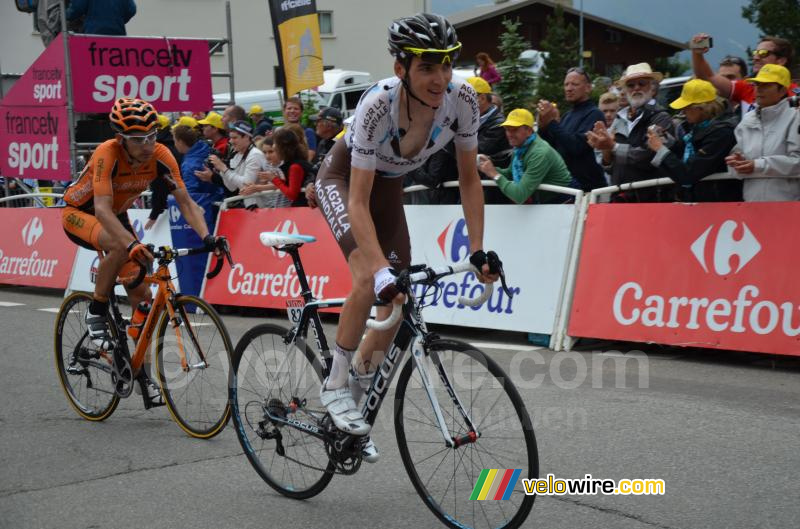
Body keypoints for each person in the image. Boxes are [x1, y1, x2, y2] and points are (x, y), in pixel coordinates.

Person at [311, 13, 500, 462]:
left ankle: (353, 409)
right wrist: (377, 270)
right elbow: (357, 201)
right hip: (342, 181)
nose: (440, 78)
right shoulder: (378, 105)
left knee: (396, 307)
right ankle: (336, 385)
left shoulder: (464, 100)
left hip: (389, 187)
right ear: (402, 69)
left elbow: (469, 180)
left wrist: (476, 250)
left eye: (446, 65)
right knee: (367, 278)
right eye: (427, 67)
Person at [60, 98, 224, 401]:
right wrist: (131, 243)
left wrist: (208, 238)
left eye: (151, 135)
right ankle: (96, 309)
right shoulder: (106, 153)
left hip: (116, 215)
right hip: (81, 213)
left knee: (143, 301)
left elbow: (186, 202)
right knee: (121, 247)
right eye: (139, 139)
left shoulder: (161, 155)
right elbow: (102, 209)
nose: (148, 144)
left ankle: (140, 372)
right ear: (121, 139)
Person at [587, 63, 676, 202]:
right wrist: (605, 151)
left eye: (641, 83)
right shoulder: (620, 117)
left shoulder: (661, 117)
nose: (636, 88)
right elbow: (611, 168)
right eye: (630, 85)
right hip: (620, 198)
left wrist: (613, 147)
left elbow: (649, 157)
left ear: (652, 87)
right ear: (625, 90)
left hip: (653, 199)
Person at [647, 79, 742, 202]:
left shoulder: (722, 133)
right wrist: (666, 141)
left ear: (701, 108)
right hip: (699, 201)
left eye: (686, 107)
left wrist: (660, 149)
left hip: (718, 205)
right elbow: (686, 156)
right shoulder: (698, 127)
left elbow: (689, 173)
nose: (683, 112)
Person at [725, 64, 800, 201]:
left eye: (766, 85)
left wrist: (757, 165)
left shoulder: (796, 116)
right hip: (752, 206)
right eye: (756, 84)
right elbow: (736, 166)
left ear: (782, 90)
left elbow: (797, 162)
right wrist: (736, 163)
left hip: (789, 207)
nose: (759, 89)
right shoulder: (747, 119)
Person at [477, 108, 572, 203]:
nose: (509, 134)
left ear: (529, 131)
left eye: (514, 129)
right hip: (547, 199)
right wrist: (488, 167)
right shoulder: (520, 148)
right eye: (507, 129)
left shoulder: (539, 152)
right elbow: (510, 174)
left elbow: (519, 195)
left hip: (565, 200)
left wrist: (494, 174)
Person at [691, 33, 796, 116]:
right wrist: (697, 53)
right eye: (755, 53)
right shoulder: (747, 87)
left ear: (781, 61)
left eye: (763, 53)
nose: (755, 57)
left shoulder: (795, 93)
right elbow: (707, 76)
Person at [537, 67, 606, 191]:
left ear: (588, 88)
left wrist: (552, 122)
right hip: (566, 188)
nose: (569, 88)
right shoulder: (568, 115)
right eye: (566, 84)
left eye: (574, 84)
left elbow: (577, 146)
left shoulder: (595, 114)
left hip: (588, 189)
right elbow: (550, 147)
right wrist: (543, 126)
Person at [464, 76, 511, 204]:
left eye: (466, 98)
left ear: (482, 98)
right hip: (478, 186)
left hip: (493, 193)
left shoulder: (498, 125)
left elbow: (472, 151)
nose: (462, 103)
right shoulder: (472, 121)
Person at [207, 120, 269, 208]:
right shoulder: (236, 155)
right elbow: (231, 187)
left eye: (235, 138)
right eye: (230, 138)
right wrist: (221, 170)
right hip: (249, 206)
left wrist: (224, 168)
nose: (231, 141)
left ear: (247, 137)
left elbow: (246, 184)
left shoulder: (255, 154)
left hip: (262, 206)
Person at [244, 128, 311, 207]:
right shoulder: (292, 163)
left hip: (303, 208)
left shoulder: (295, 166)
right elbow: (286, 184)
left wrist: (273, 178)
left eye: (275, 144)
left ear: (282, 147)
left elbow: (292, 194)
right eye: (264, 152)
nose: (274, 146)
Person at [66, 0, 136, 35]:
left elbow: (76, 9)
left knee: (93, 61)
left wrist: (65, 15)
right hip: (118, 34)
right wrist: (118, 19)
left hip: (94, 33)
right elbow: (131, 10)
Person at [310, 107, 344, 172]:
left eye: (318, 121)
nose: (315, 124)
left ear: (328, 126)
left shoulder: (342, 145)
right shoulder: (322, 142)